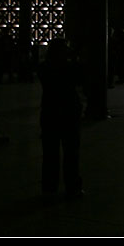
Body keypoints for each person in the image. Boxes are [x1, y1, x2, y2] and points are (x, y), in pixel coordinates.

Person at [38, 38, 84, 199]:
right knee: (71, 152)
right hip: (69, 112)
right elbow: (81, 78)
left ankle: (49, 188)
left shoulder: (44, 67)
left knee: (50, 153)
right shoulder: (69, 67)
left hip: (49, 112)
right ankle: (73, 187)